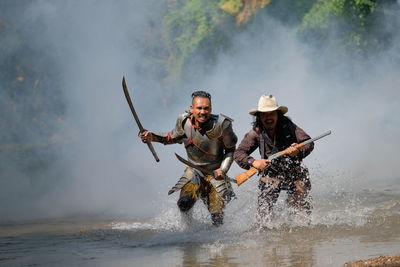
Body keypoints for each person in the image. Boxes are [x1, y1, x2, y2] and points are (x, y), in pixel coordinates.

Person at [140, 91, 237, 226]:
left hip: (215, 173)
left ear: (211, 108)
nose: (202, 112)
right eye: (199, 108)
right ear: (192, 108)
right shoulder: (184, 121)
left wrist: (223, 169)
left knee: (217, 215)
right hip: (194, 171)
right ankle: (189, 235)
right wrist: (153, 137)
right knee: (184, 204)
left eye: (206, 108)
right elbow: (171, 137)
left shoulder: (222, 124)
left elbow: (231, 149)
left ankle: (217, 243)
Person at [233, 94, 314, 223]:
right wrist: (253, 162)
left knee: (302, 215)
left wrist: (298, 151)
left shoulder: (290, 127)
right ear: (259, 116)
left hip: (295, 172)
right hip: (270, 174)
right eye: (264, 114)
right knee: (263, 217)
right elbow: (238, 153)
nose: (268, 117)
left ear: (278, 114)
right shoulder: (255, 133)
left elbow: (309, 142)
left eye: (271, 113)